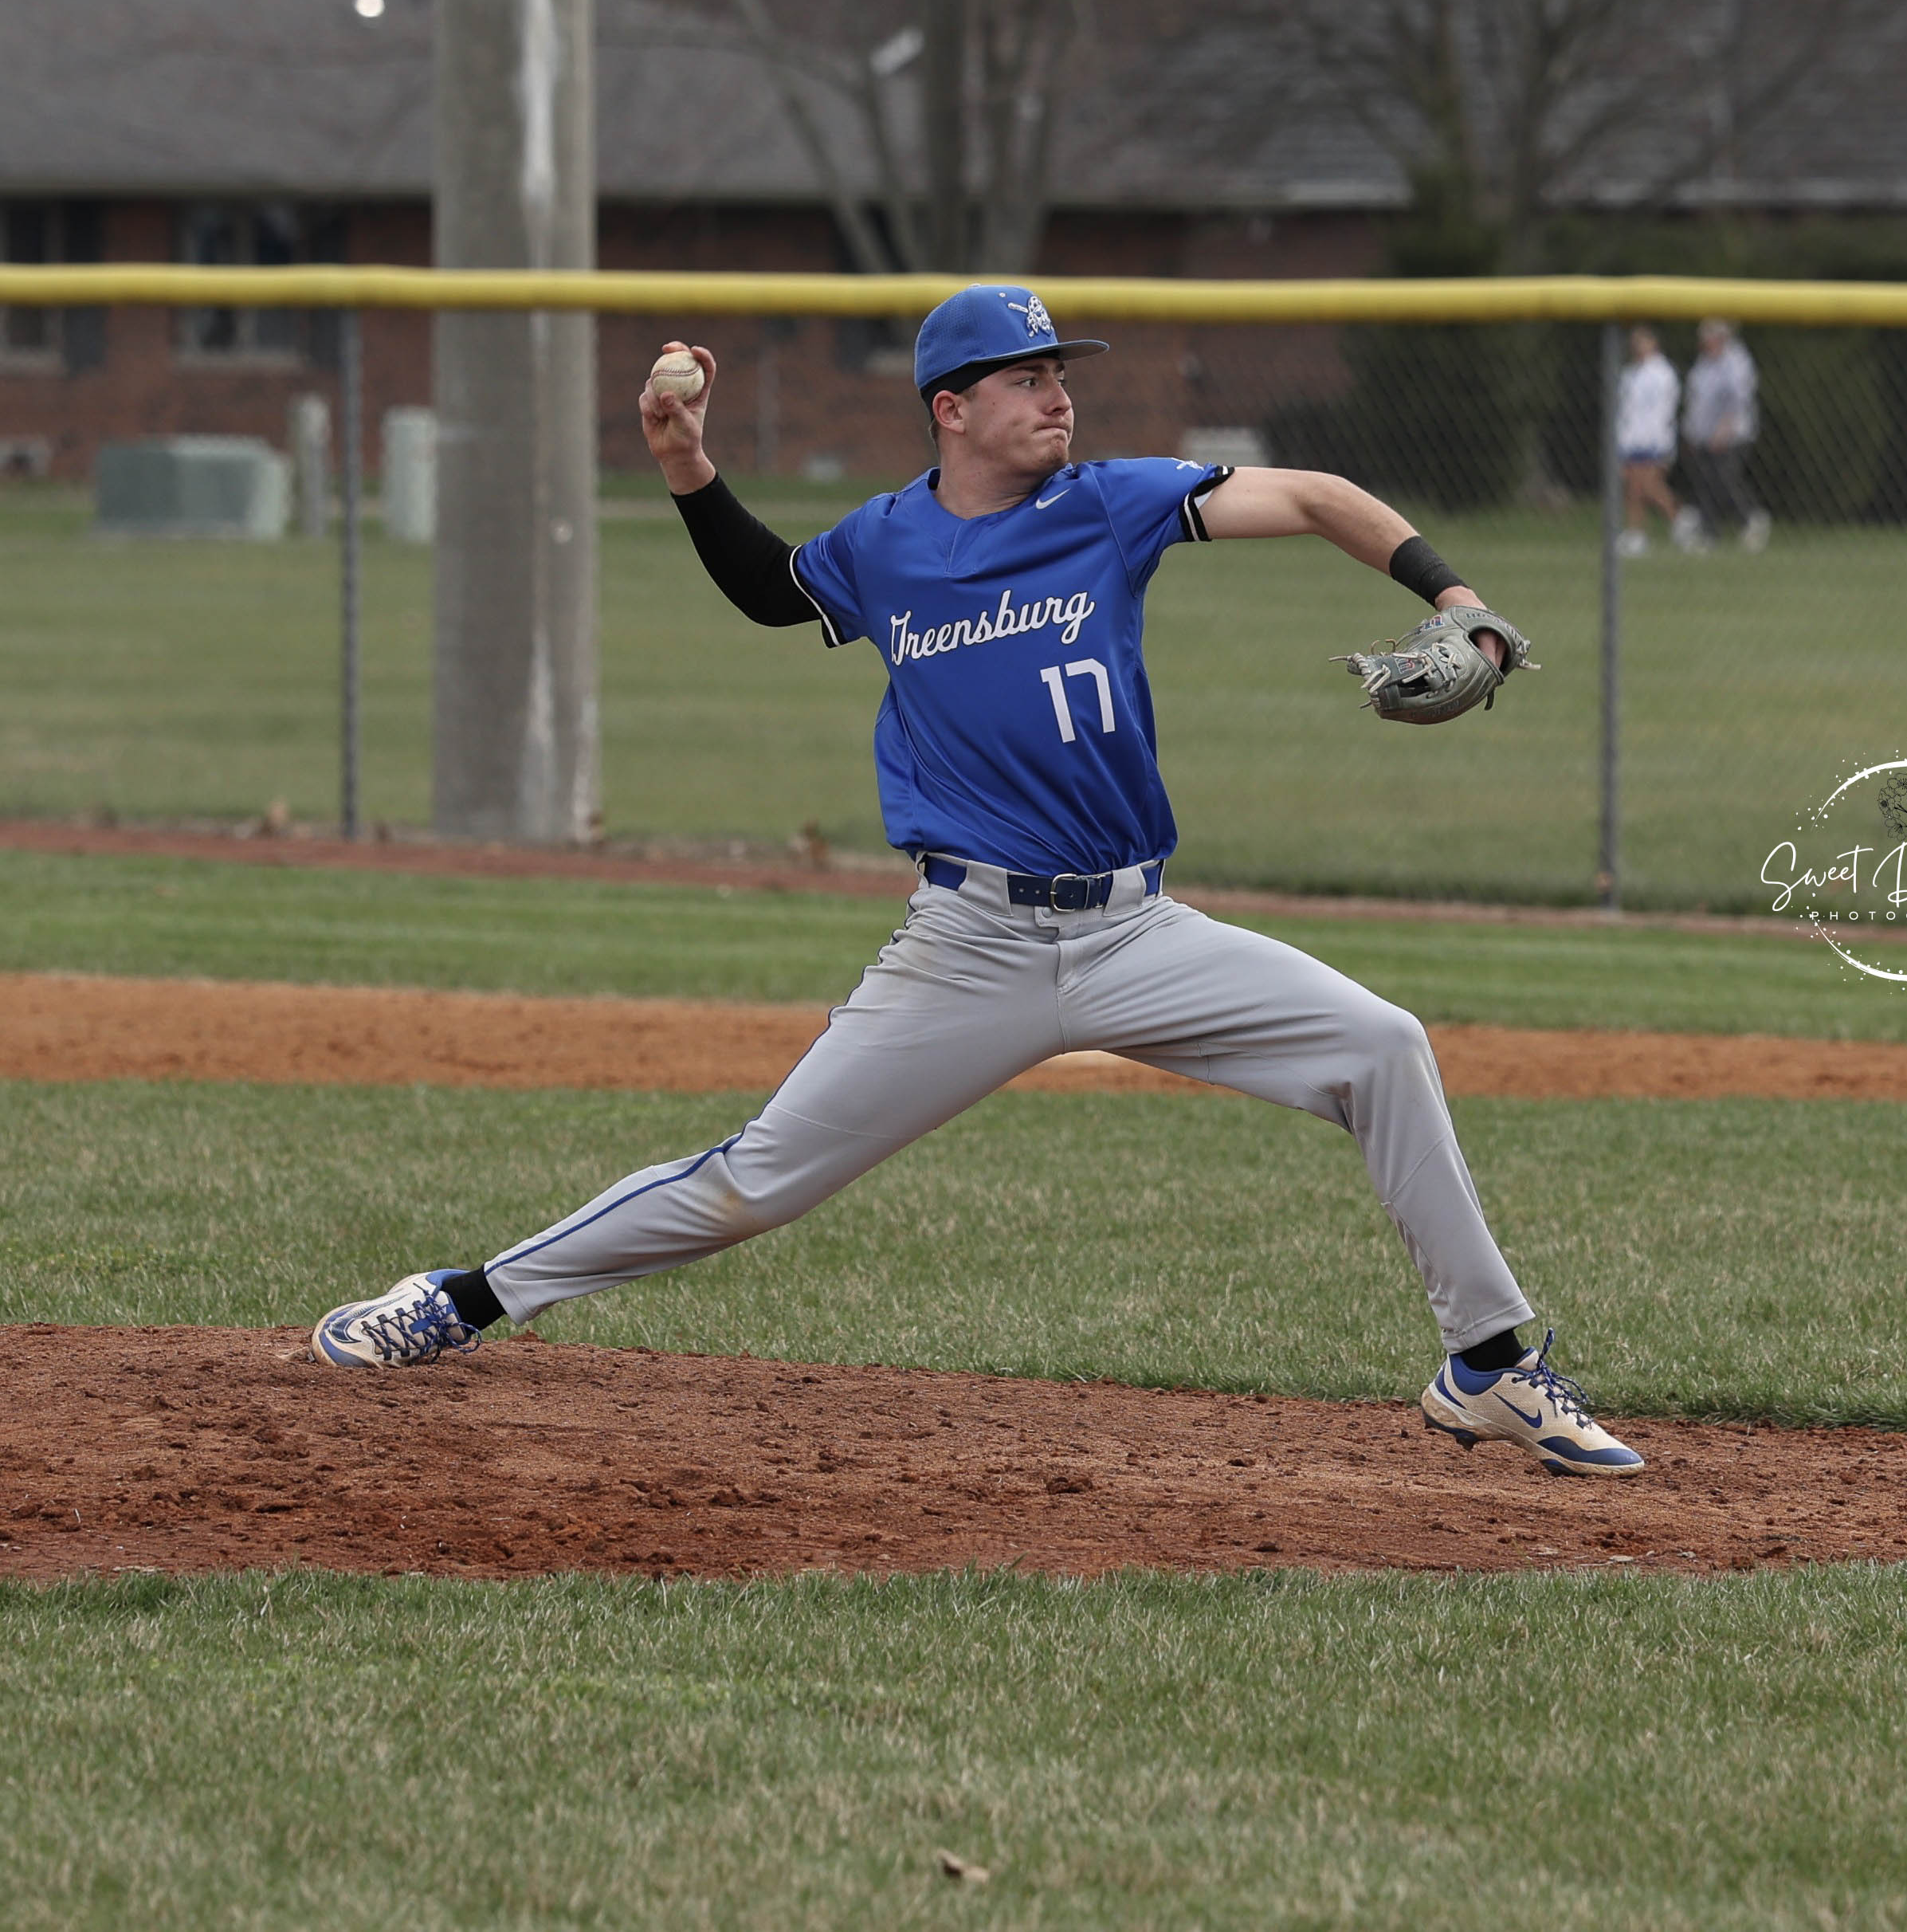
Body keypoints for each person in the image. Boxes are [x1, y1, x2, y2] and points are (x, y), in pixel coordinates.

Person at [308, 284, 1643, 1478]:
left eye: (1060, 373)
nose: (1057, 395)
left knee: (1381, 1044)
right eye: (1026, 376)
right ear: (950, 408)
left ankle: (1486, 1362)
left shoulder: (1108, 503)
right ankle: (463, 1298)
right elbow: (775, 591)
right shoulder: (885, 543)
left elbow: (1311, 495)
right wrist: (684, 465)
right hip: (969, 945)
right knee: (755, 1180)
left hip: (1137, 930)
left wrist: (1453, 594)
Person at [1677, 318, 1771, 552]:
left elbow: (1737, 400)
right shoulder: (1704, 363)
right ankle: (1709, 533)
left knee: (1724, 478)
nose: (1703, 342)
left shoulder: (1736, 362)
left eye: (1708, 337)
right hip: (1704, 434)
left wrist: (1723, 431)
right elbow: (1697, 400)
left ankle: (1750, 518)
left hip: (1733, 434)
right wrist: (1692, 432)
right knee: (1705, 482)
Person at [1614, 324, 1679, 556]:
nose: (1638, 346)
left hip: (1654, 439)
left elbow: (1664, 410)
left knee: (1649, 486)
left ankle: (1681, 522)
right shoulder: (1630, 374)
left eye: (1642, 341)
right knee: (1633, 489)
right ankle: (1636, 533)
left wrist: (1660, 440)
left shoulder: (1663, 374)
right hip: (1632, 439)